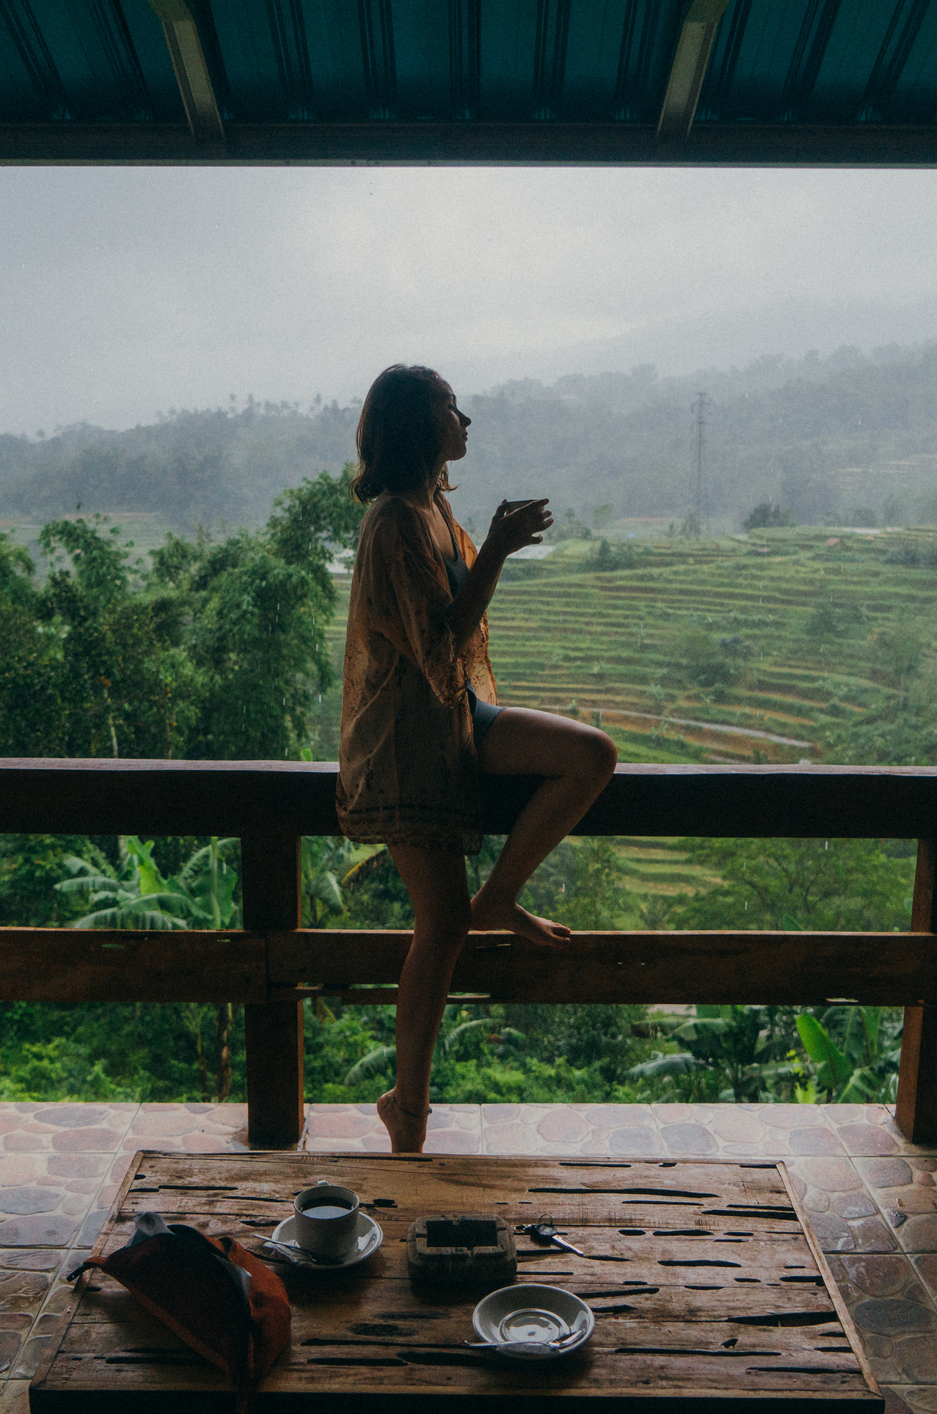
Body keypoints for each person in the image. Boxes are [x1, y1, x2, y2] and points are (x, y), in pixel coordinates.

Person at [335, 364, 618, 1153]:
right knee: (440, 928)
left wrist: (488, 543)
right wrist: (496, 547)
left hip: (455, 716)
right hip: (406, 741)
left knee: (590, 755)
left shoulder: (433, 510)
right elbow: (442, 641)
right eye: (452, 409)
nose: (467, 420)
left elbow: (454, 644)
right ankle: (410, 1111)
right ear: (422, 427)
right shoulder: (394, 521)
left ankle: (500, 897)